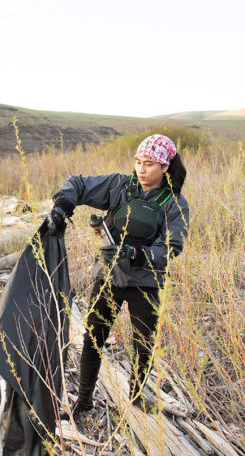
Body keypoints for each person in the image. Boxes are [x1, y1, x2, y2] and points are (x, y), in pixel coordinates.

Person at [47, 134, 189, 416]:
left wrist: (135, 254)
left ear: (165, 167)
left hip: (145, 284)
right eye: (138, 161)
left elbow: (173, 246)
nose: (141, 169)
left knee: (143, 344)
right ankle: (84, 400)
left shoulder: (174, 203)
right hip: (109, 279)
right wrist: (62, 206)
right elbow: (77, 184)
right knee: (93, 339)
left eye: (149, 163)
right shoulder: (120, 186)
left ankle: (136, 397)